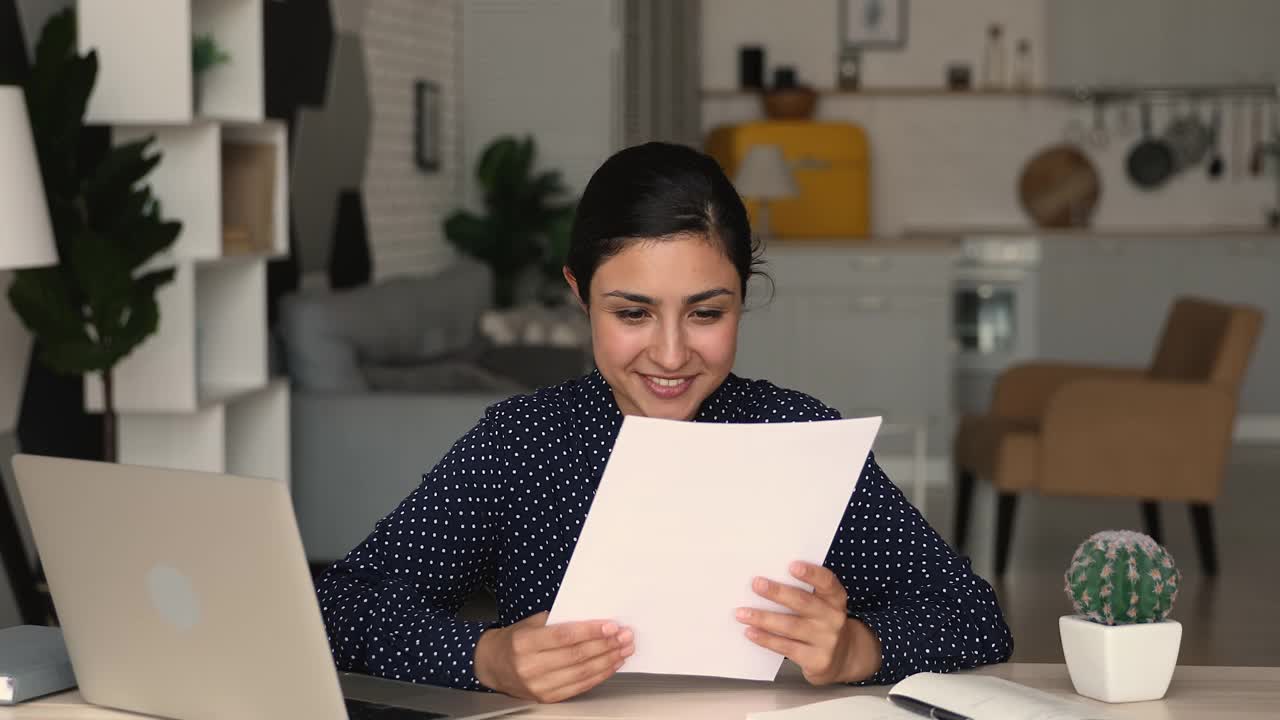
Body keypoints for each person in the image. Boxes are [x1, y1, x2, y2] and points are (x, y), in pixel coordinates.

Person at [316, 142, 1013, 704]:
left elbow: (972, 617)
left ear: (744, 297)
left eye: (707, 313)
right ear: (579, 294)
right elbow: (336, 608)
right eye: (632, 313)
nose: (672, 355)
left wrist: (859, 647)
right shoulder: (522, 442)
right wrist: (485, 658)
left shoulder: (795, 438)